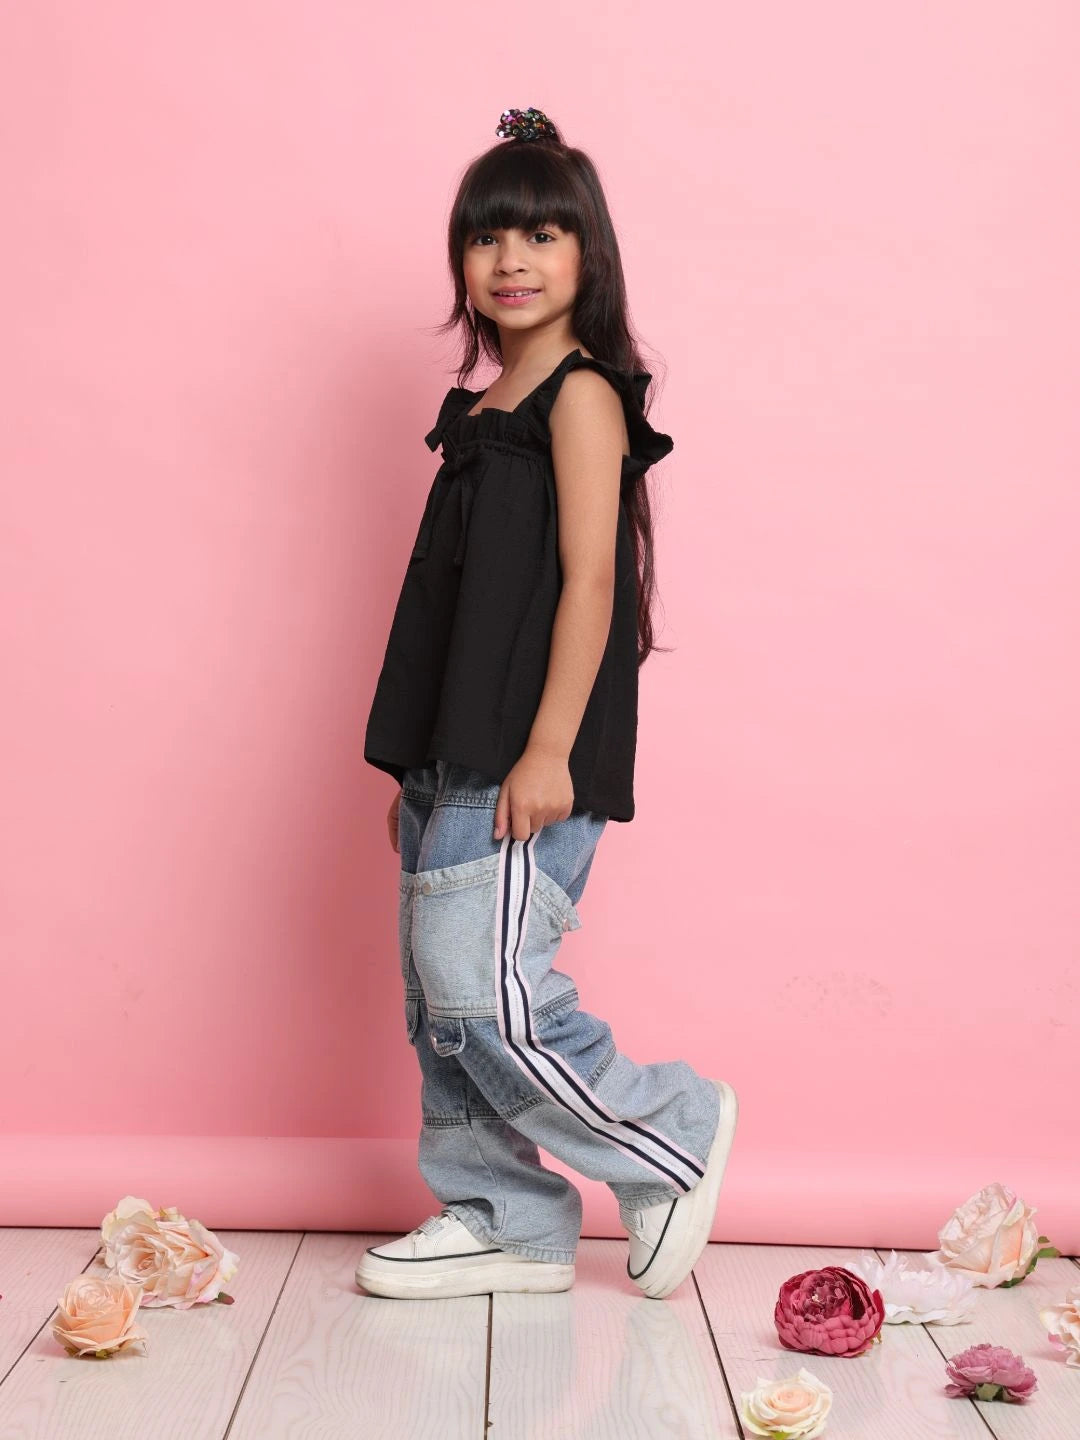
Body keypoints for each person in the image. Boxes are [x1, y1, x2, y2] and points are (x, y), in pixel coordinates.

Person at [356, 107, 738, 1302]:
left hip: (528, 749)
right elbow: (450, 605)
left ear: (589, 253)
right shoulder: (482, 406)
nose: (510, 260)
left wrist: (550, 749)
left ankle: (666, 1133)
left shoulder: (581, 396)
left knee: (485, 990)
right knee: (439, 1005)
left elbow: (591, 583)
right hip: (450, 751)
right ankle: (505, 1217)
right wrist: (415, 773)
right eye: (486, 238)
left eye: (541, 234)